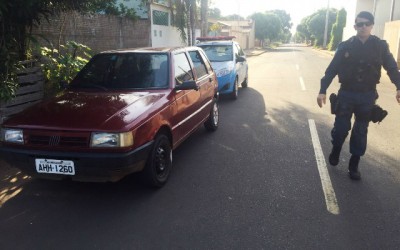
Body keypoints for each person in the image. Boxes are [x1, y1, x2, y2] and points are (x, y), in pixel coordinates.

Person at [317, 11, 400, 180]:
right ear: (355, 26)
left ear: (371, 26)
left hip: (367, 96)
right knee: (340, 129)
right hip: (346, 94)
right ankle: (336, 147)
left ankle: (354, 164)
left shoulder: (380, 46)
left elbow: (391, 67)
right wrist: (322, 90)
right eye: (360, 24)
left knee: (360, 131)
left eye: (366, 23)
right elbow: (332, 69)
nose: (363, 27)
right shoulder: (345, 46)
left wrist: (399, 86)